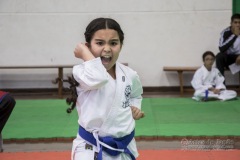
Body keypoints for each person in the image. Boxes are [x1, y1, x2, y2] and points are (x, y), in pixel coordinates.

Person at [71, 18, 144, 160]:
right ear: (88, 46)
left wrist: (135, 107)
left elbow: (136, 94)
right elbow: (99, 78)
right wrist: (85, 54)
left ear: (121, 46)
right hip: (92, 148)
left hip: (124, 146)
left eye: (114, 43)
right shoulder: (81, 72)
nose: (107, 48)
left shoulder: (130, 74)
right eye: (99, 43)